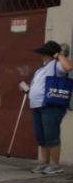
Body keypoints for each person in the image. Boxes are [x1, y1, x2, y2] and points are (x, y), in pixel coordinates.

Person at [25, 41, 72, 175]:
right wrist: (28, 90)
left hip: (50, 105)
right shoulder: (40, 70)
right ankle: (44, 163)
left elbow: (69, 67)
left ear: (48, 54)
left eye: (43, 53)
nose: (41, 55)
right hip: (37, 106)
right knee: (42, 137)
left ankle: (55, 165)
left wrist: (60, 55)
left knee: (51, 135)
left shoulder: (56, 65)